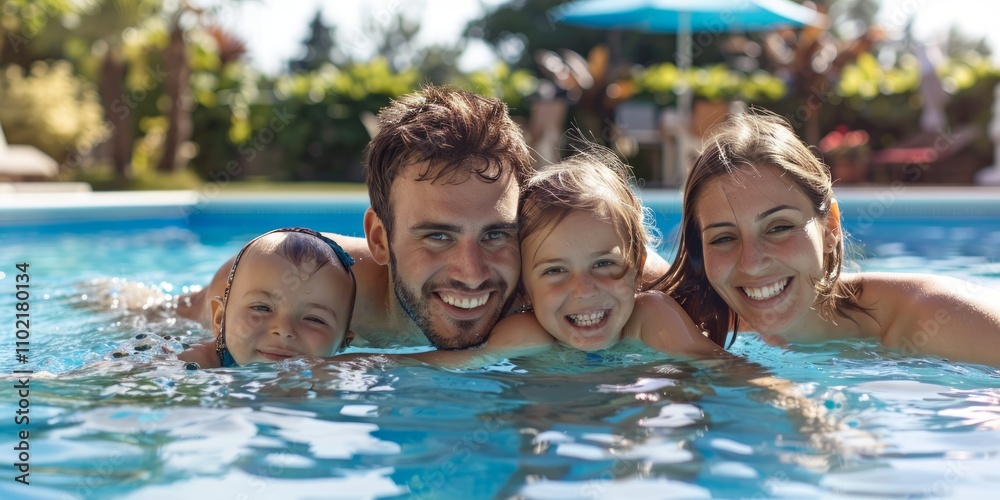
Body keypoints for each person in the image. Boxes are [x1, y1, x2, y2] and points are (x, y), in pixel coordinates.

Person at [655, 111, 1000, 367]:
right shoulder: (695, 325)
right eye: (724, 238)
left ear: (830, 227)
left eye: (778, 228)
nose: (752, 263)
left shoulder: (937, 317)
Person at [407, 147, 725, 368]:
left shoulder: (651, 320)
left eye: (603, 264)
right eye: (556, 271)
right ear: (524, 289)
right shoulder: (526, 334)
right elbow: (445, 368)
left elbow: (724, 371)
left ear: (637, 265)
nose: (584, 290)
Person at [179, 227, 356, 368]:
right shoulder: (196, 362)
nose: (284, 330)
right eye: (262, 308)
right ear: (220, 319)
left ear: (343, 342)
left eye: (314, 319)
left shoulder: (339, 374)